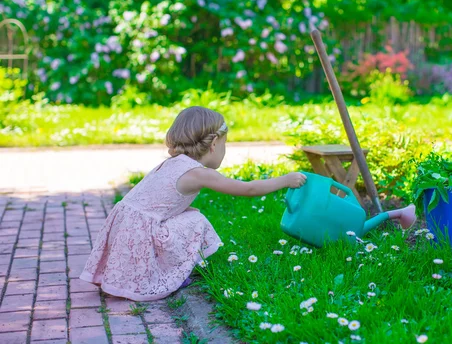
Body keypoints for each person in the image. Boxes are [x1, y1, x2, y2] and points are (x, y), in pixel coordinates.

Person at [79, 106, 307, 301]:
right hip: (139, 236)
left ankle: (156, 269)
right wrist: (285, 180)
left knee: (186, 215)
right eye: (225, 145)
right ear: (214, 143)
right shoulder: (197, 173)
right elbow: (248, 189)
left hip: (126, 232)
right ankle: (172, 273)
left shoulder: (172, 163)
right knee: (195, 219)